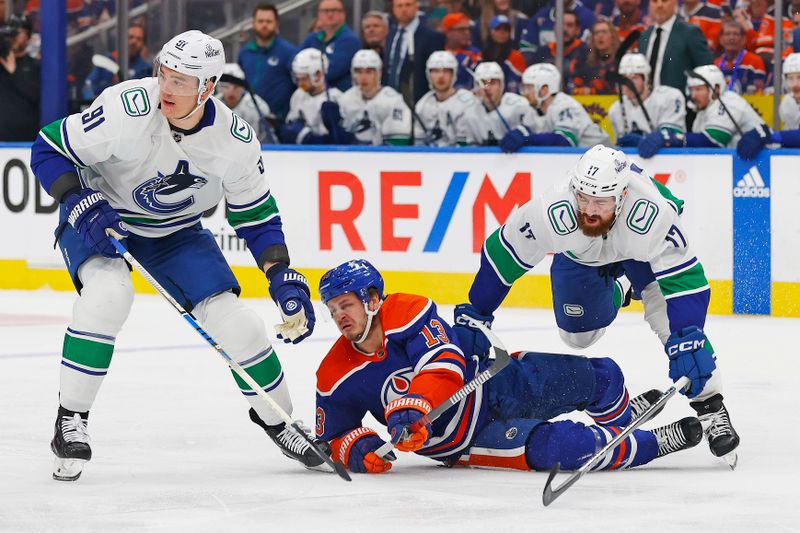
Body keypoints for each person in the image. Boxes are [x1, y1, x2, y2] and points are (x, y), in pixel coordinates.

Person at [29, 30, 320, 482]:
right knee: (108, 296)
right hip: (100, 217)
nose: (166, 87)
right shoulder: (127, 107)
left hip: (175, 233)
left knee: (239, 323)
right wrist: (75, 199)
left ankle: (279, 419)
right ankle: (71, 420)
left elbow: (257, 215)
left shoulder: (235, 141)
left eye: (182, 82)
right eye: (164, 73)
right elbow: (48, 147)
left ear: (208, 89)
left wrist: (280, 272)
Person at [453, 145, 741, 464]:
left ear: (622, 195)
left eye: (601, 201)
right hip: (583, 259)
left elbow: (685, 279)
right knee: (578, 337)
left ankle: (711, 407)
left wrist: (688, 335)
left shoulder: (653, 214)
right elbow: (502, 253)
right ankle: (622, 285)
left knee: (671, 327)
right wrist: (477, 312)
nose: (589, 210)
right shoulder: (552, 211)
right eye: (583, 197)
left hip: (642, 254)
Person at [314, 259, 703, 475]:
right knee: (568, 447)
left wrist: (414, 404)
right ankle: (653, 442)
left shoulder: (408, 311)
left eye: (345, 305)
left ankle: (618, 424)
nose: (339, 317)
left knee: (601, 376)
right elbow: (333, 436)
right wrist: (358, 450)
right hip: (469, 440)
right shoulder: (335, 371)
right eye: (333, 311)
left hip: (495, 381)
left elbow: (445, 364)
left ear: (372, 299)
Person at [499, 63, 610, 153]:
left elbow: (564, 141)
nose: (524, 93)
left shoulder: (565, 106)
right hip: (582, 161)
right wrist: (521, 133)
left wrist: (528, 138)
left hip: (603, 158)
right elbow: (529, 132)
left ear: (544, 90)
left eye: (528, 88)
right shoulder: (533, 109)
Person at [607, 53, 686, 157]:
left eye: (634, 78)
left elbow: (675, 138)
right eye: (624, 79)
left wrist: (653, 138)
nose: (628, 84)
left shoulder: (670, 97)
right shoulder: (615, 110)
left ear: (646, 79)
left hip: (670, 164)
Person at [237, 3, 298, 122]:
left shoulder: (289, 52)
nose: (264, 25)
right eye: (260, 21)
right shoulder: (244, 53)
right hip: (248, 121)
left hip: (278, 122)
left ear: (276, 24)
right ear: (253, 23)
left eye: (269, 21)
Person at [338, 49, 412, 145]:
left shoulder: (394, 101)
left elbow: (398, 143)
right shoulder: (346, 99)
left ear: (378, 73)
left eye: (369, 72)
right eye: (359, 72)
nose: (363, 77)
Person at [639, 0, 714, 91]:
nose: (659, 5)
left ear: (675, 2)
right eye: (655, 1)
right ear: (649, 5)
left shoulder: (690, 32)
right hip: (647, 102)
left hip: (681, 102)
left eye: (664, 0)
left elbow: (707, 71)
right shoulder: (644, 36)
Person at [684, 64, 764, 149]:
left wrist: (678, 138)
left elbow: (713, 141)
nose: (693, 95)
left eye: (698, 89)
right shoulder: (704, 110)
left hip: (770, 158)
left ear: (716, 89)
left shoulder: (729, 101)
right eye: (691, 90)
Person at [737, 53, 800, 159]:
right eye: (790, 78)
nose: (795, 84)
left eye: (799, 77)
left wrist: (770, 135)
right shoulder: (788, 102)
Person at [385, 0, 446, 105]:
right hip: (391, 100)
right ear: (393, 9)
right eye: (399, 6)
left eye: (408, 5)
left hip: (419, 102)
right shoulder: (391, 35)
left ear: (416, 7)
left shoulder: (431, 37)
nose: (403, 9)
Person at [414, 50, 481, 146]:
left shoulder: (468, 102)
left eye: (446, 71)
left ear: (453, 74)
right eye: (436, 71)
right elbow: (419, 145)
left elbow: (469, 144)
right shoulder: (422, 105)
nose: (441, 76)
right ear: (429, 74)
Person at [280, 48, 346, 145]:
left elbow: (342, 140)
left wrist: (334, 129)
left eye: (304, 78)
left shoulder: (336, 98)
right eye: (297, 79)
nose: (300, 83)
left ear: (318, 75)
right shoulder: (298, 95)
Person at [462, 61, 535, 145]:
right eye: (482, 83)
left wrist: (523, 136)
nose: (487, 88)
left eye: (492, 83)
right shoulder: (469, 111)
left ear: (501, 85)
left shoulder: (519, 105)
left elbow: (532, 135)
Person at [299, 0, 361, 92]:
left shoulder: (350, 40)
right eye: (325, 11)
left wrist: (305, 71)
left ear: (343, 14)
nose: (330, 14)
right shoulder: (312, 38)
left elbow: (331, 71)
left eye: (334, 10)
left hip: (339, 98)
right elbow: (295, 61)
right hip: (312, 97)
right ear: (319, 15)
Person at [81, 24, 151, 100]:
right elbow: (88, 86)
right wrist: (92, 101)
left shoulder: (145, 69)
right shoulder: (106, 61)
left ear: (143, 44)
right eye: (130, 37)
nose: (134, 41)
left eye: (139, 39)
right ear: (122, 39)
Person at [0, 13, 39, 141]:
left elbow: (36, 96)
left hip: (24, 138)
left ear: (28, 36)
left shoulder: (35, 65)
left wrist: (14, 73)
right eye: (12, 32)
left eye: (20, 32)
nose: (14, 37)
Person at [216, 63, 276, 144]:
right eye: (226, 86)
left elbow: (263, 138)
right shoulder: (212, 104)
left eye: (236, 87)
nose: (231, 91)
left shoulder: (257, 106)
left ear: (242, 87)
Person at [567, 19, 619, 95]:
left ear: (612, 36)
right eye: (596, 33)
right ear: (593, 38)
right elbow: (572, 87)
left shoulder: (622, 61)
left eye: (604, 32)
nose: (600, 36)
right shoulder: (584, 62)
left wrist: (592, 91)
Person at [716, 21, 767, 95]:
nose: (731, 38)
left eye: (735, 34)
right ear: (721, 39)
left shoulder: (755, 61)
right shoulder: (716, 63)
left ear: (743, 39)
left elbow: (759, 93)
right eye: (727, 34)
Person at [480, 15, 527, 94]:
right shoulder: (481, 54)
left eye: (506, 29)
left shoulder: (516, 56)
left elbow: (521, 82)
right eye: (498, 29)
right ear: (491, 31)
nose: (502, 32)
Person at [442, 12, 483, 90]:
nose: (467, 32)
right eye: (461, 29)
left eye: (468, 29)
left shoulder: (474, 54)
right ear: (448, 32)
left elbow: (483, 83)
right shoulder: (438, 52)